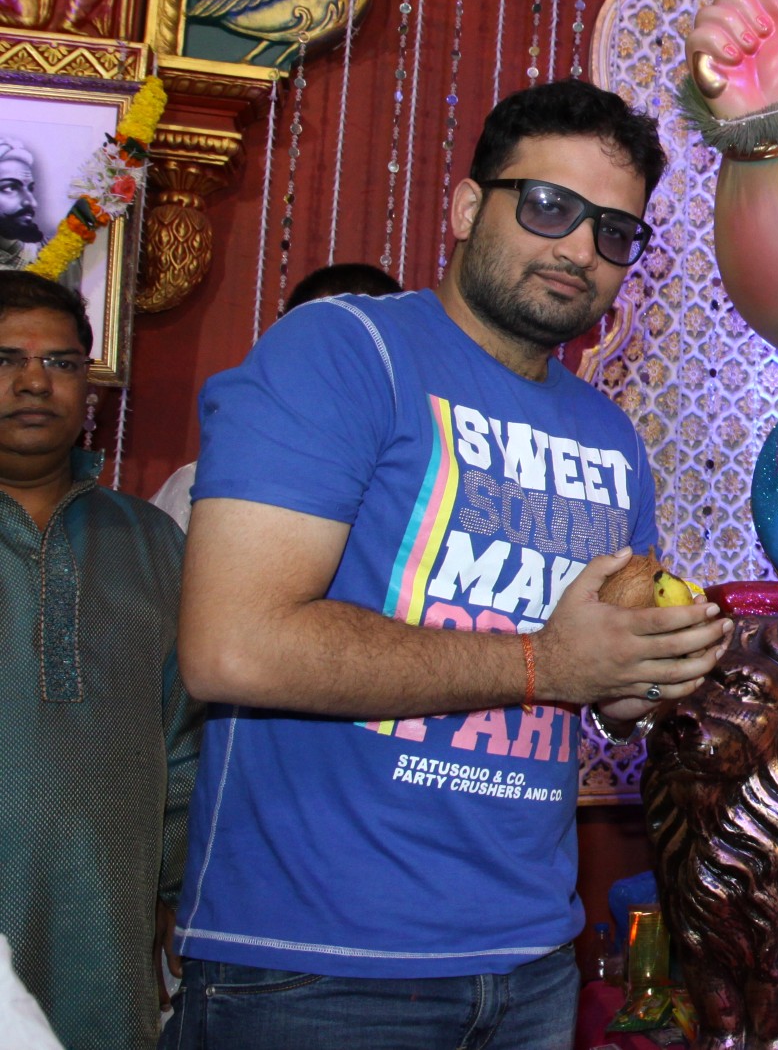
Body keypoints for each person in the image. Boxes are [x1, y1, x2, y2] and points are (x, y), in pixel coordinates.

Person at [164, 80, 730, 1049]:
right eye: (549, 207)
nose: (578, 250)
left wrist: (656, 668)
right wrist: (549, 666)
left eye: (614, 233)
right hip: (314, 968)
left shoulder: (609, 436)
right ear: (468, 207)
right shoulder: (343, 353)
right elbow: (233, 647)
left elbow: (605, 699)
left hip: (529, 963)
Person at [0, 271, 200, 1049]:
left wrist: (178, 899)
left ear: (91, 383)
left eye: (61, 362)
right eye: (7, 357)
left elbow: (185, 738)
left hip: (106, 931)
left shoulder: (151, 543)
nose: (32, 382)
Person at [148, 262, 403, 532]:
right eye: (318, 353)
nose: (335, 378)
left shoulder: (425, 496)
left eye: (356, 358)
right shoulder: (203, 486)